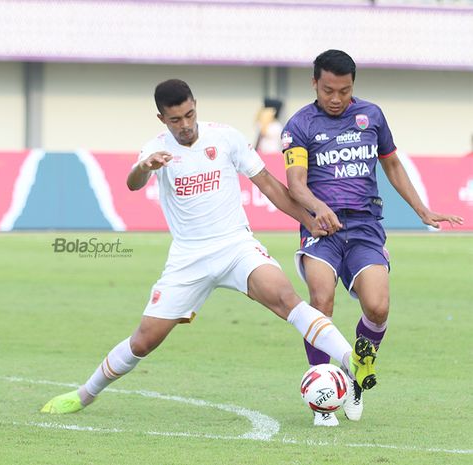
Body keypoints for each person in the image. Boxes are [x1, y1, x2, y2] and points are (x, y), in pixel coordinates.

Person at [41, 79, 378, 419]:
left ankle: (353, 362)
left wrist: (310, 218)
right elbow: (133, 182)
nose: (185, 125)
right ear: (162, 119)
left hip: (236, 246)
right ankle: (84, 395)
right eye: (176, 120)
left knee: (287, 300)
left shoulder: (226, 137)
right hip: (189, 258)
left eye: (190, 115)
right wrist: (145, 166)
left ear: (195, 105)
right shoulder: (154, 149)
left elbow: (273, 189)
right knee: (144, 340)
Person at [283, 49, 464, 426]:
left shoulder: (372, 116)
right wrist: (318, 208)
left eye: (344, 91)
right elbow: (295, 184)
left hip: (365, 227)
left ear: (353, 86)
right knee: (321, 299)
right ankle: (322, 395)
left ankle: (354, 379)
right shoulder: (299, 125)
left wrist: (422, 210)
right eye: (329, 90)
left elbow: (392, 164)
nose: (336, 99)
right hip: (322, 230)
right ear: (314, 83)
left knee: (378, 308)